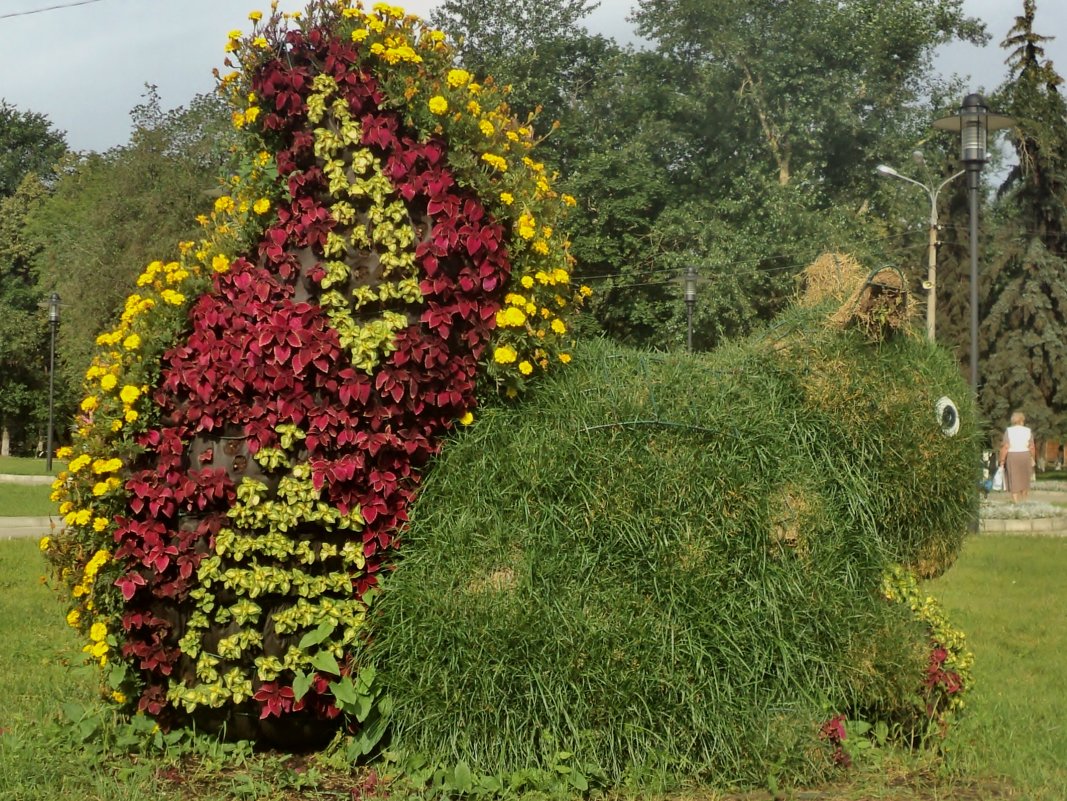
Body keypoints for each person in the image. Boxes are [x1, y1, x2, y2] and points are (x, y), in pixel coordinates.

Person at [999, 410, 1037, 503]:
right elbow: (1031, 446)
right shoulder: (1028, 431)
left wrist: (1002, 460)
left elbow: (1005, 446)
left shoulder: (1009, 431)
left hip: (1013, 455)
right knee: (1025, 478)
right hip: (1025, 455)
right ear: (1022, 420)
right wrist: (1032, 457)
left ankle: (1016, 501)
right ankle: (1024, 500)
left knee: (1014, 478)